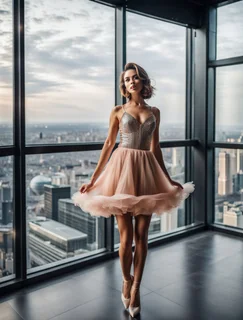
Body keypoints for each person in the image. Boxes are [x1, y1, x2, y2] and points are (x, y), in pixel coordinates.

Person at [72, 62, 195, 318]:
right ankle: (126, 279)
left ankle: (136, 288)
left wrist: (168, 179)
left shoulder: (155, 112)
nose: (131, 82)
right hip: (122, 171)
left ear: (142, 82)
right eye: (127, 79)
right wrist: (94, 180)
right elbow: (109, 144)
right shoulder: (118, 110)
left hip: (146, 171)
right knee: (125, 237)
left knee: (142, 237)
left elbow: (156, 147)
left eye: (135, 78)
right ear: (124, 86)